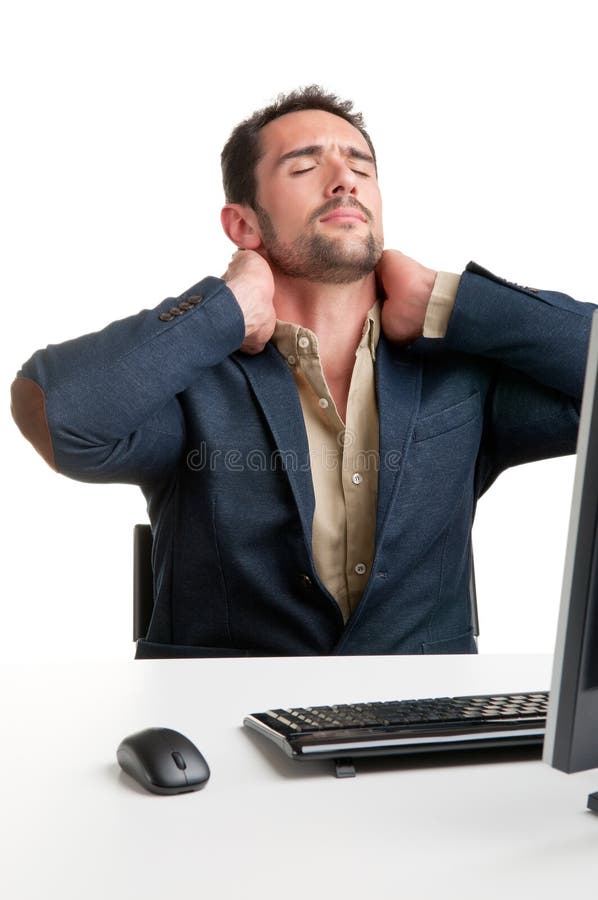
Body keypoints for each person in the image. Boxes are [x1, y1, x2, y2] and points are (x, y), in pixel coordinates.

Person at [11, 85, 595, 658]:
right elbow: (58, 413)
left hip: (418, 728)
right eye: (303, 167)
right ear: (244, 226)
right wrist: (226, 307)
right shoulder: (190, 376)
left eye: (360, 166)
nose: (344, 180)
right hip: (219, 734)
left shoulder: (460, 374)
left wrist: (449, 299)